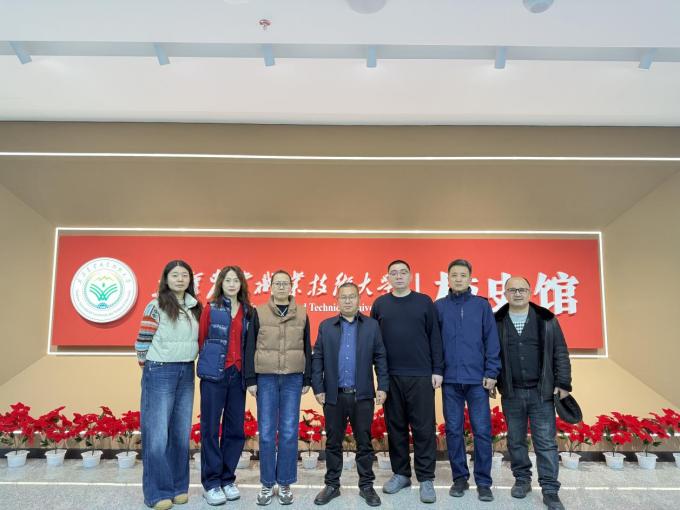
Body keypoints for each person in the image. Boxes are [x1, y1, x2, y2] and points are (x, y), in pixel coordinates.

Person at [494, 276, 572, 510]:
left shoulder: (547, 319)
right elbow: (490, 353)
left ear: (530, 293)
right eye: (512, 290)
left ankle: (550, 489)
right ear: (505, 294)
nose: (517, 293)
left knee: (546, 443)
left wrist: (564, 383)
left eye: (522, 289)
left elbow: (560, 352)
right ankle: (522, 479)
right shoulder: (496, 321)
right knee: (515, 440)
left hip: (542, 393)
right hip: (512, 392)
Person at [369, 259, 443, 504]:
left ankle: (426, 478)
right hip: (391, 376)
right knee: (396, 427)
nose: (399, 276)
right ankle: (401, 474)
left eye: (403, 272)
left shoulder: (424, 302)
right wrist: (379, 379)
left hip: (421, 375)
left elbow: (435, 337)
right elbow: (374, 343)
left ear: (410, 276)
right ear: (388, 277)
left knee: (423, 428)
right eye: (394, 273)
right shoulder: (380, 304)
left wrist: (437, 370)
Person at [312, 282, 389, 507]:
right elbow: (317, 358)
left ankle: (366, 486)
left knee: (364, 442)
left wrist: (383, 386)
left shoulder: (371, 326)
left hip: (362, 395)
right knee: (333, 443)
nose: (347, 300)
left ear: (358, 299)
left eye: (352, 296)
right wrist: (318, 388)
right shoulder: (326, 326)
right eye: (343, 297)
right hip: (334, 396)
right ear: (337, 300)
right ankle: (332, 485)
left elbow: (380, 357)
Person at [135, 260, 203, 510]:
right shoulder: (156, 306)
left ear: (190, 279)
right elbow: (142, 341)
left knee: (180, 433)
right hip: (160, 370)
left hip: (186, 370)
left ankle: (177, 488)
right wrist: (150, 368)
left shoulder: (195, 307)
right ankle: (157, 492)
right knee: (157, 434)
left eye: (184, 275)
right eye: (175, 275)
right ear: (166, 279)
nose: (180, 279)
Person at [434, 259, 500, 503]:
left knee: (482, 431)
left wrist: (491, 372)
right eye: (454, 275)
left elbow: (491, 340)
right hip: (450, 381)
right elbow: (434, 344)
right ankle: (460, 478)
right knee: (453, 430)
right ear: (448, 278)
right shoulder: (439, 307)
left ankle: (483, 482)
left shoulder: (481, 306)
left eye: (463, 275)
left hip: (477, 381)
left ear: (470, 278)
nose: (459, 279)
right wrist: (436, 370)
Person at [244, 269, 312, 506]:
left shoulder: (302, 312)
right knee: (266, 432)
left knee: (289, 432)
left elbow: (307, 347)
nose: (281, 287)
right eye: (277, 283)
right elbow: (250, 346)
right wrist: (251, 379)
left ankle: (284, 483)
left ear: (291, 287)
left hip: (293, 378)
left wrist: (307, 378)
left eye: (285, 283)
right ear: (270, 287)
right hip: (266, 378)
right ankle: (266, 483)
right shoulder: (259, 312)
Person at [196, 266, 253, 506]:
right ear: (221, 283)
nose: (232, 284)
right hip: (214, 376)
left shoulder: (249, 311)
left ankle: (227, 479)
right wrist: (213, 366)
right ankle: (211, 483)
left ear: (241, 284)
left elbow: (250, 344)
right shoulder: (212, 308)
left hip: (237, 376)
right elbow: (202, 340)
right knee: (210, 429)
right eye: (227, 280)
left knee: (235, 430)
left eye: (236, 280)